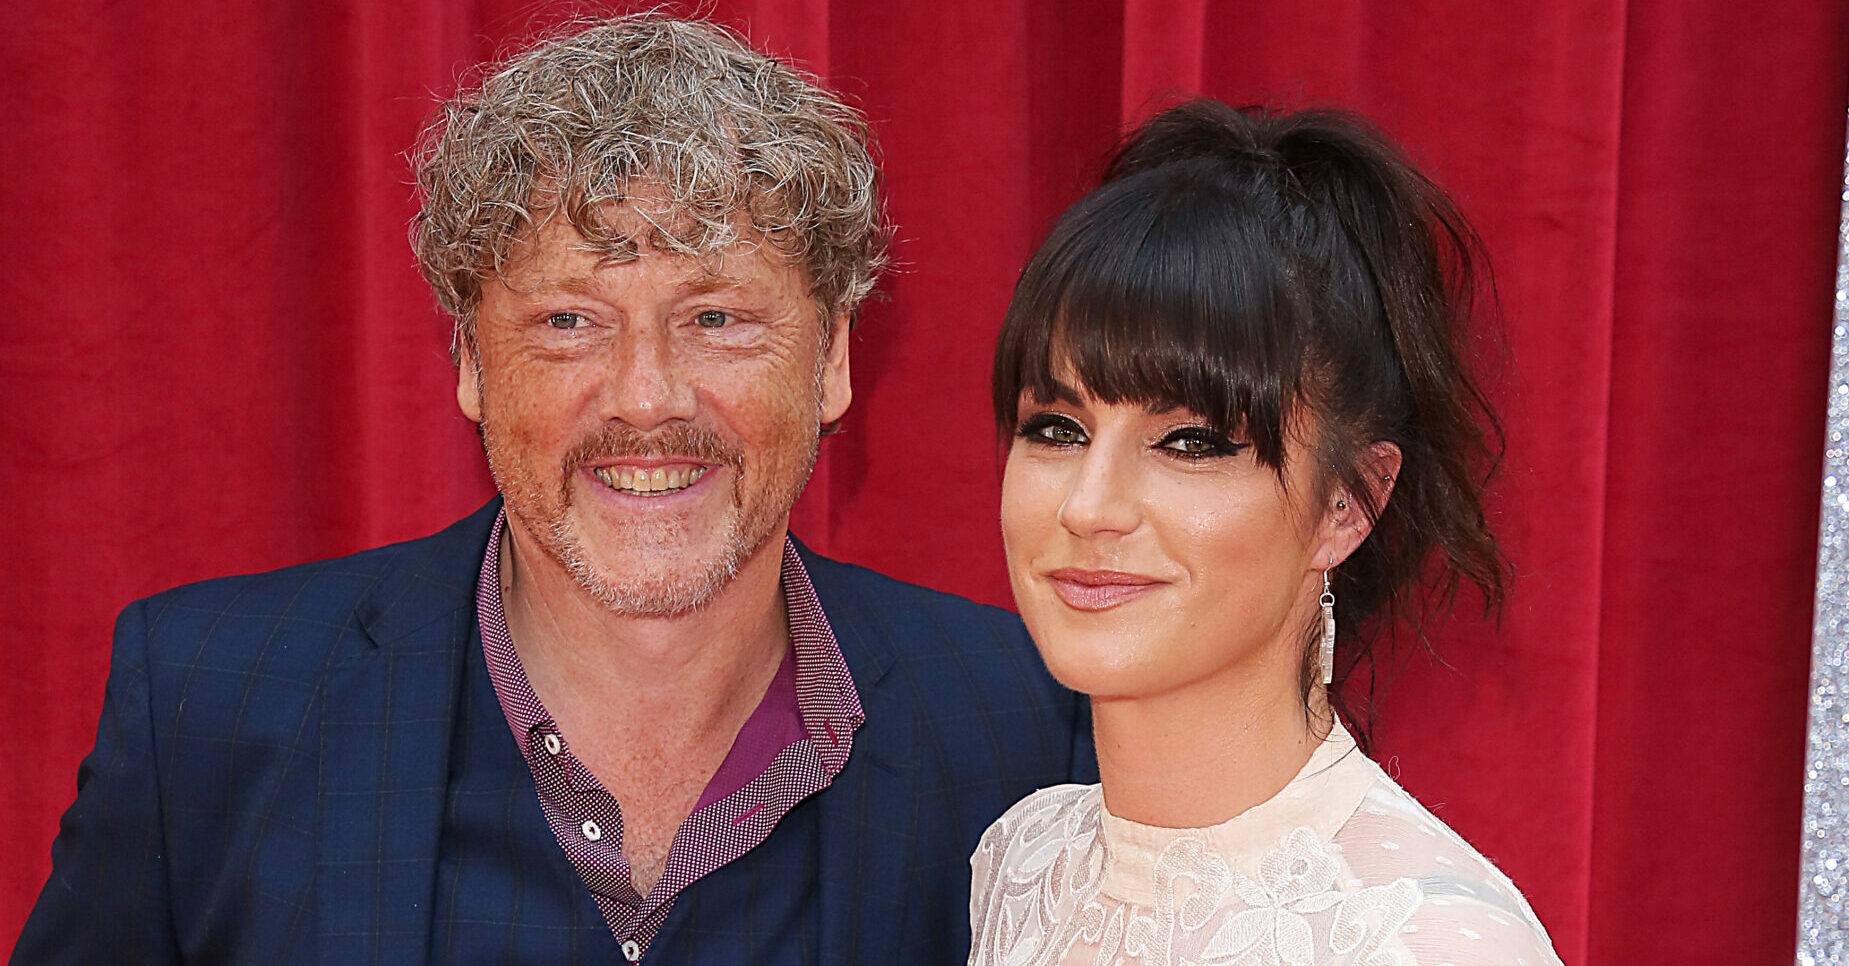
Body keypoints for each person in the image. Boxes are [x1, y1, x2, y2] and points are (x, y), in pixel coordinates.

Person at [13, 15, 1091, 966]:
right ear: (472, 364)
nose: (644, 397)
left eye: (717, 317)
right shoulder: (209, 708)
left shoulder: (1027, 730)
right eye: (569, 320)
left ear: (833, 361)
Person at [968, 100, 1562, 966]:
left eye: (1190, 443)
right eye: (1056, 429)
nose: (1089, 508)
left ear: (1347, 503)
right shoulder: (1024, 863)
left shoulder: (1427, 942)